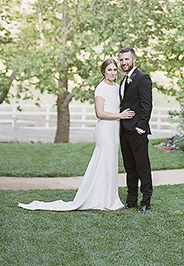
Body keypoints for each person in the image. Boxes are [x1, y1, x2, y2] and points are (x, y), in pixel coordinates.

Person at [18, 58, 134, 211]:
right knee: (104, 162)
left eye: (114, 69)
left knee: (110, 164)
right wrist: (120, 116)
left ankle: (109, 198)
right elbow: (99, 113)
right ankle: (100, 200)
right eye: (109, 70)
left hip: (114, 131)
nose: (112, 72)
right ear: (104, 71)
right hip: (105, 130)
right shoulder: (101, 88)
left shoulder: (117, 87)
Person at [118, 47, 153, 211]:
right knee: (129, 167)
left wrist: (140, 128)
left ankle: (146, 201)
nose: (124, 63)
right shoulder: (124, 80)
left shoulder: (142, 78)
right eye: (121, 60)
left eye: (127, 59)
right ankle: (131, 200)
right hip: (124, 131)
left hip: (137, 131)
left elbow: (147, 106)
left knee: (142, 166)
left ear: (134, 59)